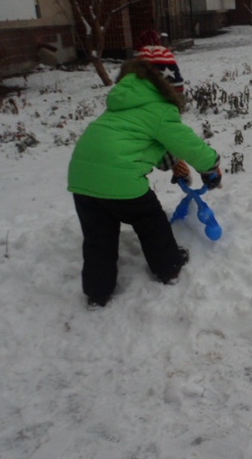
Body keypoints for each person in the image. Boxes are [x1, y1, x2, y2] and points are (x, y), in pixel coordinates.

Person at [67, 45, 221, 309]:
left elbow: (141, 145)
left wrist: (173, 166)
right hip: (121, 180)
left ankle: (97, 292)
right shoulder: (160, 110)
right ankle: (168, 266)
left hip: (82, 179)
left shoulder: (121, 105)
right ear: (170, 86)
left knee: (98, 238)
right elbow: (188, 144)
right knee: (151, 221)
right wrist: (210, 168)